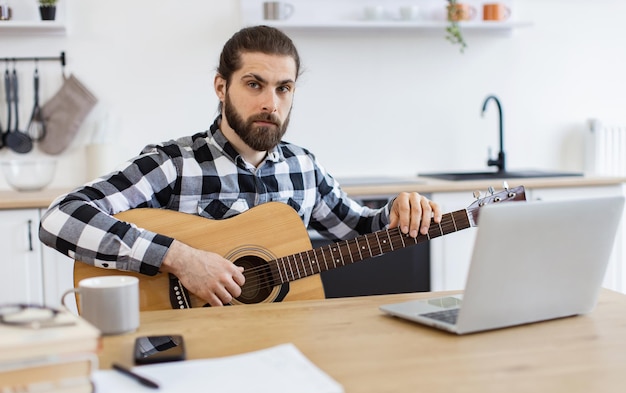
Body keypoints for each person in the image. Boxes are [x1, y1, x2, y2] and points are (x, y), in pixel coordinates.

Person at [39, 25, 441, 307]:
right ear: (221, 87)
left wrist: (398, 211)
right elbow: (62, 217)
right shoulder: (174, 163)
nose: (271, 103)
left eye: (284, 88)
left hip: (282, 344)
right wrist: (181, 258)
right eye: (255, 84)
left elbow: (359, 231)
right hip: (194, 348)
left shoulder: (303, 167)